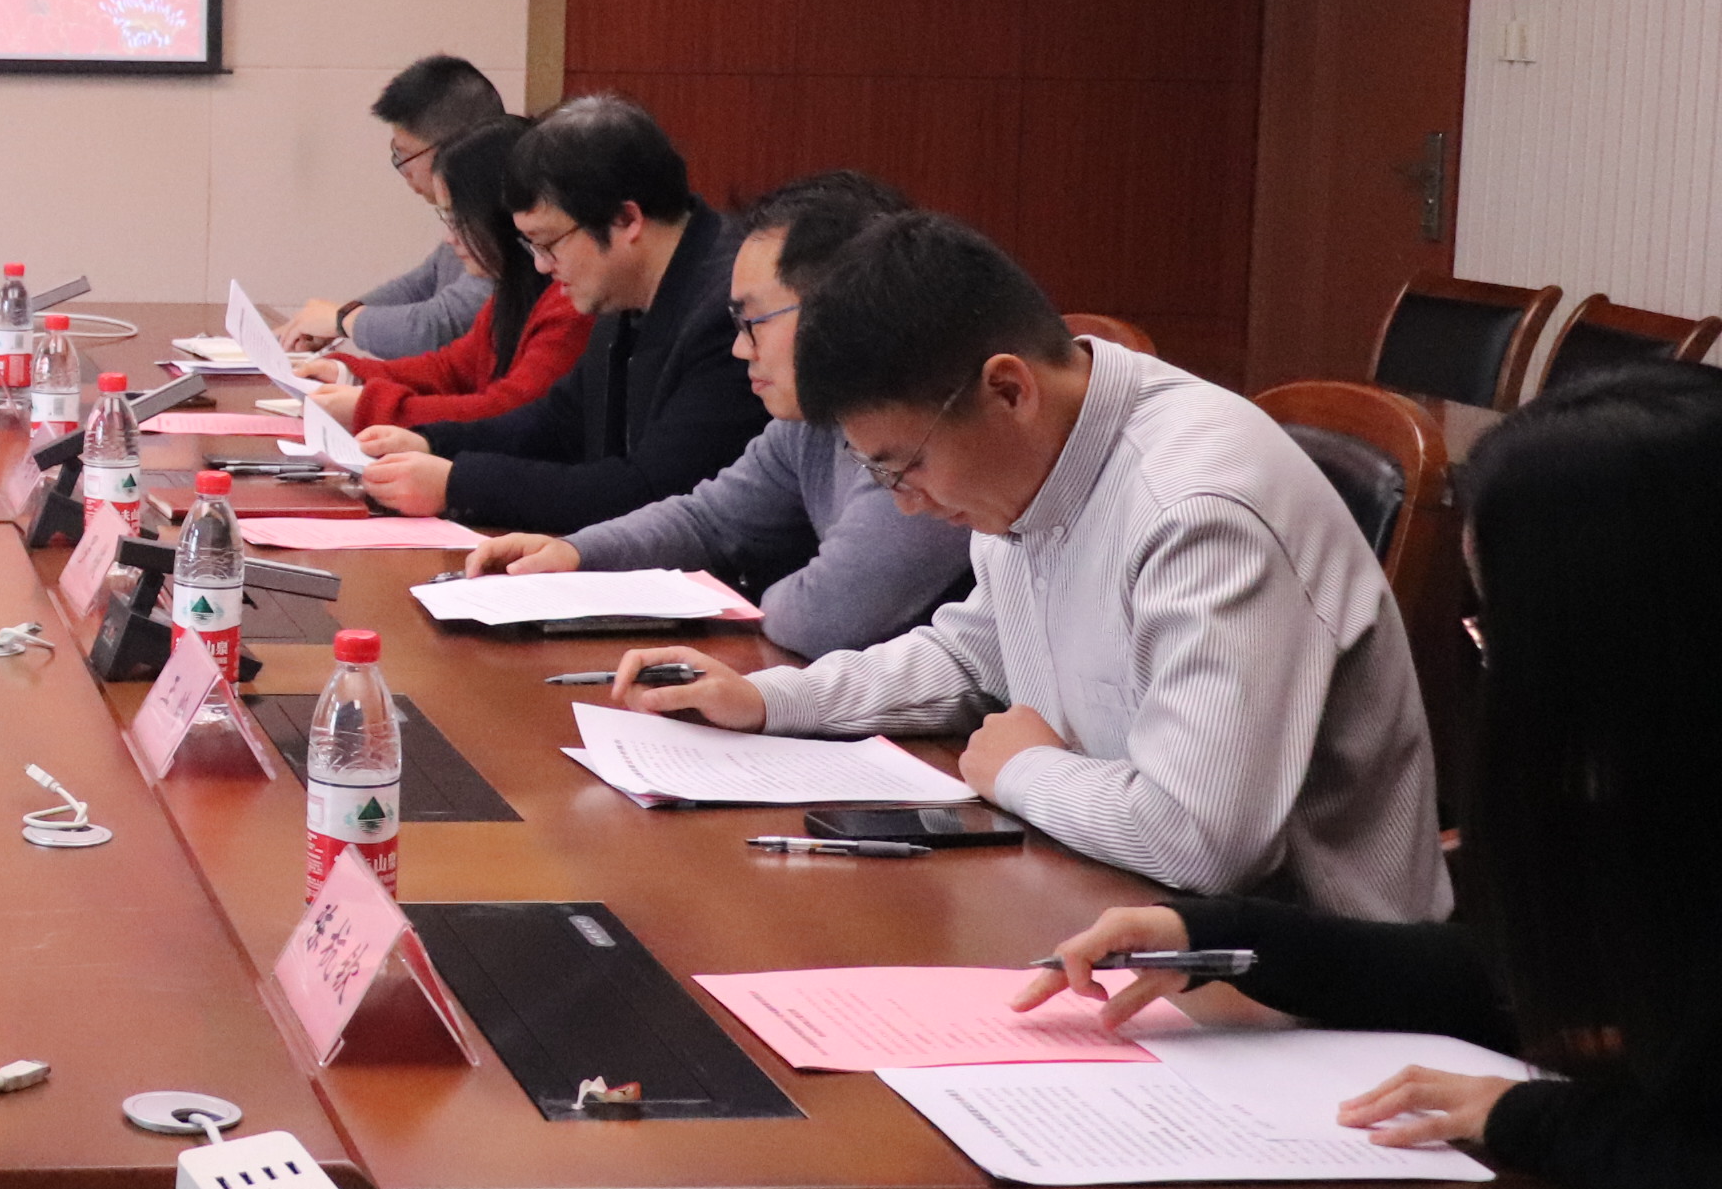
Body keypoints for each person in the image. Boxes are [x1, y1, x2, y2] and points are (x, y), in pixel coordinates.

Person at [1020, 361, 1722, 1189]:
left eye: (1501, 623)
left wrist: (1522, 1117)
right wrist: (1221, 937)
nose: (1491, 660)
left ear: (1630, 629)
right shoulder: (1657, 791)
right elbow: (1512, 984)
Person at [610, 212, 1444, 921]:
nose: (907, 504)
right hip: (1110, 903)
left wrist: (1020, 770)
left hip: (1303, 979)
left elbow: (1200, 838)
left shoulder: (1197, 510)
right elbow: (972, 656)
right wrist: (769, 701)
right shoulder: (1037, 462)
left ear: (1008, 390)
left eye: (906, 466)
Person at [454, 170, 972, 658]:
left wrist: (747, 597)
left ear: (841, 307)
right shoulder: (806, 422)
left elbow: (825, 616)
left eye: (754, 323)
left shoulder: (924, 429)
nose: (740, 349)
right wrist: (576, 553)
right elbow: (709, 519)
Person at [347, 94, 764, 528]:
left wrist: (457, 484)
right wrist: (430, 443)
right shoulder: (625, 286)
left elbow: (651, 491)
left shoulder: (729, 312)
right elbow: (558, 421)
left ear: (626, 220)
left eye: (548, 243)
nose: (542, 266)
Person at [288, 119, 589, 432]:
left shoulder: (570, 301)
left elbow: (506, 411)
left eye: (459, 220)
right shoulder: (514, 291)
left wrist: (371, 405)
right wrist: (349, 373)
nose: (450, 238)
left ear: (499, 218)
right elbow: (452, 369)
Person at [281, 55, 507, 359]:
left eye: (405, 155)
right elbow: (420, 286)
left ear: (452, 150)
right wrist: (337, 320)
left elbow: (439, 325)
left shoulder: (507, 223)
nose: (403, 171)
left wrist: (344, 321)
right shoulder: (471, 212)